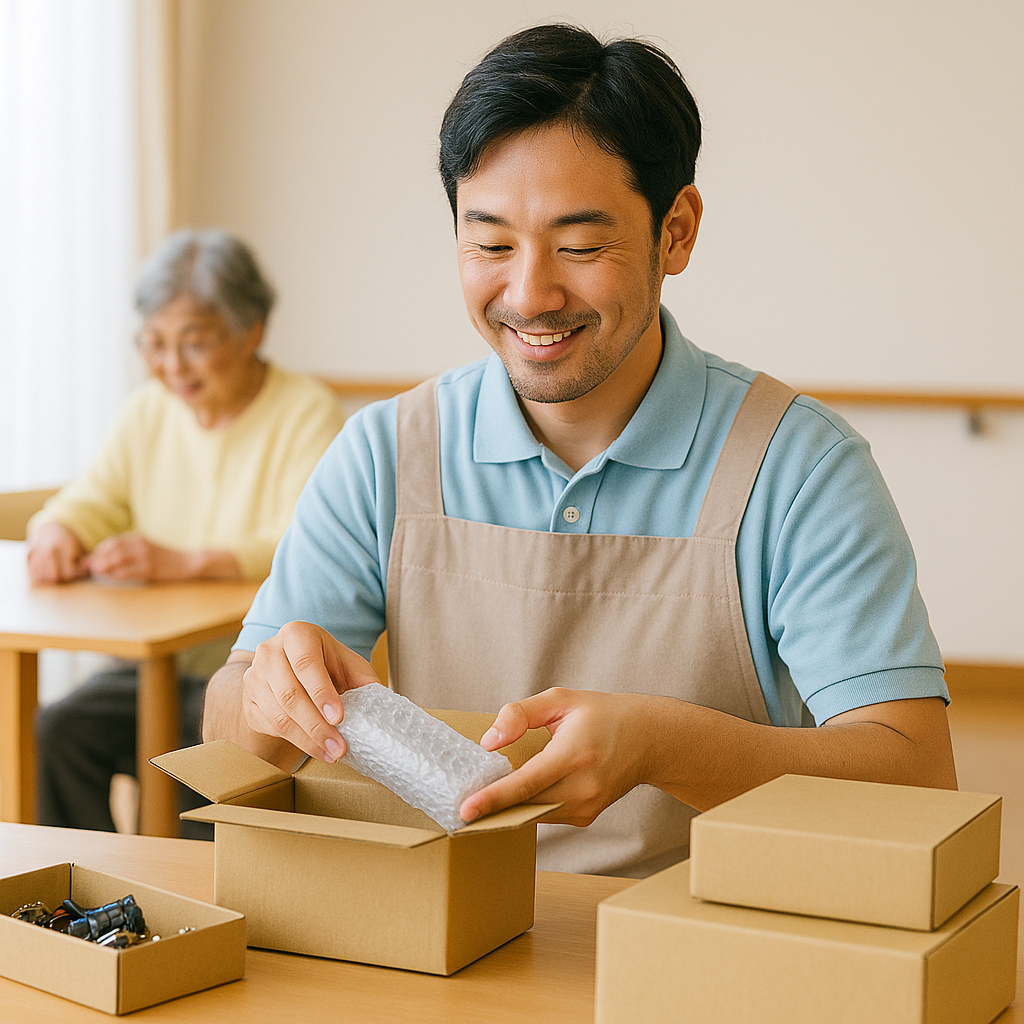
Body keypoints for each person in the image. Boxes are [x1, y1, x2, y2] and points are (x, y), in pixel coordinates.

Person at [203, 25, 957, 877]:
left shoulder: (799, 468)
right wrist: (270, 691)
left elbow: (917, 779)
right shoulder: (386, 451)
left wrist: (666, 744)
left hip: (716, 955)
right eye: (490, 244)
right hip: (446, 945)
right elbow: (228, 719)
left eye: (581, 245)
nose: (529, 294)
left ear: (676, 231)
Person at [28, 228, 345, 834]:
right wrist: (59, 529)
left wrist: (189, 562)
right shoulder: (151, 409)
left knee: (205, 764)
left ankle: (195, 909)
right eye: (155, 343)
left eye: (193, 343)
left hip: (246, 669)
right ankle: (83, 898)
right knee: (63, 730)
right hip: (157, 669)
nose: (170, 366)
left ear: (251, 330)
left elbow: (301, 544)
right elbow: (95, 495)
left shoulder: (306, 411)